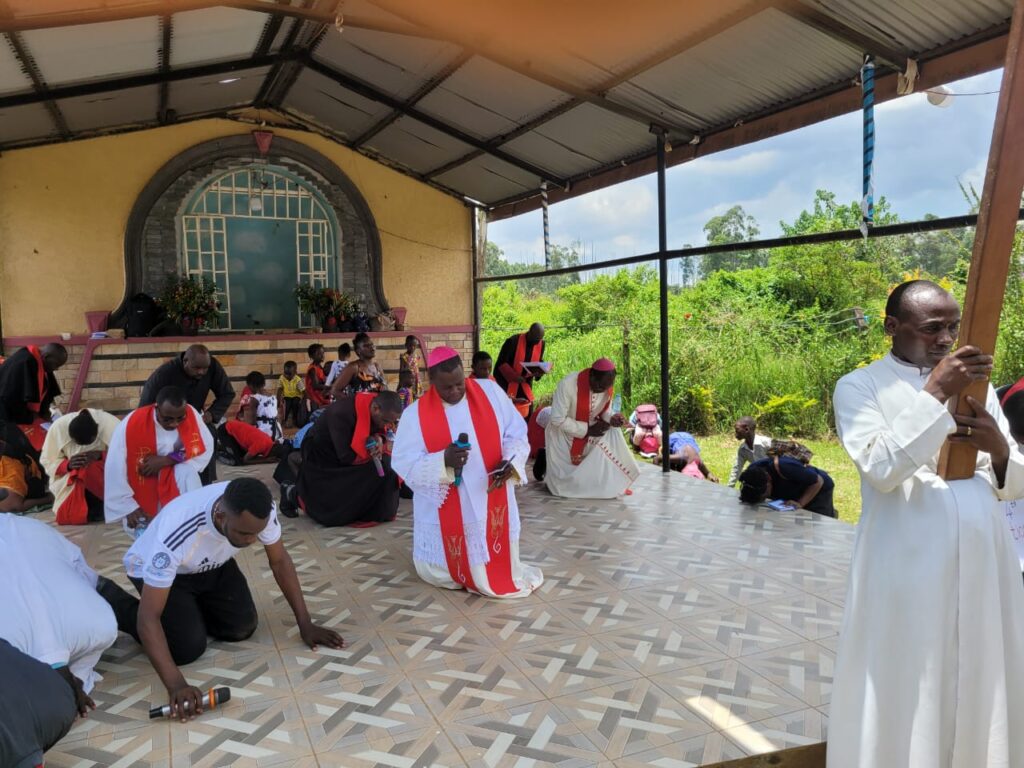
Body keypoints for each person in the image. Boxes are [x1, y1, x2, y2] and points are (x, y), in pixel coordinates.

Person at [827, 280, 1024, 768]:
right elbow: (881, 468)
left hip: (983, 561)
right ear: (892, 327)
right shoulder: (860, 386)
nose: (946, 339)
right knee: (911, 675)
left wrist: (999, 449)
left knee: (982, 672)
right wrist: (936, 391)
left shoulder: (978, 387)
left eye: (952, 327)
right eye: (932, 328)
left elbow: (1011, 483)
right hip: (907, 563)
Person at [114, 479, 345, 720]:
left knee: (240, 628)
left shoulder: (260, 509)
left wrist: (305, 623)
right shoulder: (177, 532)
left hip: (211, 564)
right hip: (164, 574)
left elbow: (279, 561)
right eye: (244, 533)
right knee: (185, 649)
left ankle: (190, 611)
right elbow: (149, 618)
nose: (251, 540)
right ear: (221, 516)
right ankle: (114, 600)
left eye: (256, 533)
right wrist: (176, 685)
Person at [392, 346, 543, 598]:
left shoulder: (491, 393)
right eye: (446, 388)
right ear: (431, 381)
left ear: (464, 373)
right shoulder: (414, 415)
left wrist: (509, 462)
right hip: (451, 500)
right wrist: (443, 460)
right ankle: (455, 569)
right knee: (448, 561)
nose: (455, 392)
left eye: (459, 384)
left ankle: (496, 565)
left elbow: (515, 432)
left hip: (490, 490)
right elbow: (403, 462)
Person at [284, 391, 404, 526]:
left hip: (348, 452)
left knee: (387, 468)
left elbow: (377, 432)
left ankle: (371, 510)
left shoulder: (375, 408)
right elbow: (346, 456)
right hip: (323, 455)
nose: (387, 426)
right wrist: (370, 455)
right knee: (350, 484)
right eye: (386, 421)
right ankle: (292, 494)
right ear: (376, 408)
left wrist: (379, 440)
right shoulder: (341, 413)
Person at [105, 386, 214, 533]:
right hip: (143, 483)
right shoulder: (132, 423)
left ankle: (193, 523)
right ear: (157, 408)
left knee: (187, 472)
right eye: (167, 419)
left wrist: (166, 461)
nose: (174, 424)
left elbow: (204, 447)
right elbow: (115, 466)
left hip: (176, 477)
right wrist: (127, 506)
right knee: (148, 532)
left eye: (180, 418)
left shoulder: (191, 414)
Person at [544, 358, 639, 499]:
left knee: (613, 431)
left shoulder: (606, 387)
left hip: (589, 428)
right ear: (592, 375)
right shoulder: (567, 384)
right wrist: (587, 429)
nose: (601, 390)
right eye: (600, 386)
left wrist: (611, 418)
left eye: (605, 388)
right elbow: (557, 419)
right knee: (562, 488)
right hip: (562, 434)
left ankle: (609, 482)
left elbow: (604, 410)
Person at [139, 344, 233, 485]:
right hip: (166, 425)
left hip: (197, 421)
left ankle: (205, 485)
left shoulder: (211, 365)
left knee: (208, 437)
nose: (202, 372)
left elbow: (227, 393)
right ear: (185, 361)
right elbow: (145, 408)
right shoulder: (164, 374)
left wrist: (211, 414)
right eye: (196, 368)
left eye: (205, 368)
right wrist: (164, 424)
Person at [40, 408, 120, 525]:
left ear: (97, 431)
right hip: (70, 476)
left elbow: (126, 456)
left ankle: (104, 505)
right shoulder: (59, 427)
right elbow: (47, 460)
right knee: (68, 515)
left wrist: (101, 455)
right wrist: (67, 465)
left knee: (89, 469)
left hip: (105, 474)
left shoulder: (112, 425)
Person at [0, 343, 68, 454]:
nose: (56, 369)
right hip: (5, 412)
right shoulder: (23, 363)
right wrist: (31, 416)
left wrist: (44, 411)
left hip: (17, 410)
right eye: (56, 365)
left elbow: (46, 390)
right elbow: (12, 398)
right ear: (46, 357)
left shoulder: (41, 362)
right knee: (21, 448)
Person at [218, 372, 287, 465]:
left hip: (262, 429)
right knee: (243, 453)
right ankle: (221, 448)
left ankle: (225, 447)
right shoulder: (273, 397)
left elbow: (251, 421)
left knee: (244, 452)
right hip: (275, 432)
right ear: (264, 383)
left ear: (250, 386)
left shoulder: (254, 398)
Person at [738, 455, 833, 515]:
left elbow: (818, 481)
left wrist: (800, 503)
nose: (765, 498)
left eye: (764, 495)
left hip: (818, 488)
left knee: (814, 520)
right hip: (793, 487)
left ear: (768, 481)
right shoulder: (751, 472)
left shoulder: (785, 467)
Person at [494, 323, 547, 419]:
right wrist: (514, 376)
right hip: (509, 384)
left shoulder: (541, 344)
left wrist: (539, 372)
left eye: (539, 339)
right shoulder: (513, 341)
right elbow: (501, 364)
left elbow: (538, 361)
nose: (536, 342)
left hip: (525, 385)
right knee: (509, 415)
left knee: (526, 415)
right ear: (529, 332)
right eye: (535, 339)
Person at [0, 422, 52, 513]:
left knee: (6, 507)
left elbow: (13, 506)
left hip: (30, 485)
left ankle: (48, 498)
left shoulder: (10, 464)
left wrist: (48, 499)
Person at [330, 333, 387, 399]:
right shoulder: (354, 367)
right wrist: (354, 402)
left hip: (378, 405)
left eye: (372, 344)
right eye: (366, 346)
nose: (372, 347)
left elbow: (385, 387)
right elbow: (334, 391)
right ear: (358, 351)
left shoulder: (377, 367)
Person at [727, 416, 773, 486]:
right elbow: (737, 469)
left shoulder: (766, 443)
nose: (735, 434)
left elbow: (781, 458)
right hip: (760, 480)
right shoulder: (743, 449)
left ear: (746, 429)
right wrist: (729, 487)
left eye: (737, 430)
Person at [277, 360, 306, 428]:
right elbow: (279, 389)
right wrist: (278, 400)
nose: (287, 376)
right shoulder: (282, 378)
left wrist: (305, 400)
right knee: (287, 405)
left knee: (295, 403)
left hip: (296, 396)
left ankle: (295, 420)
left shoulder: (297, 380)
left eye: (289, 374)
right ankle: (284, 421)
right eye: (285, 373)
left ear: (295, 372)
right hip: (287, 396)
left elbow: (304, 391)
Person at [304, 343, 331, 412]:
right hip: (314, 399)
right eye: (319, 353)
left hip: (319, 398)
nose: (322, 355)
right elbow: (315, 386)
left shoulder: (320, 367)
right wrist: (330, 387)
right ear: (312, 356)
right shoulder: (312, 369)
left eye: (323, 353)